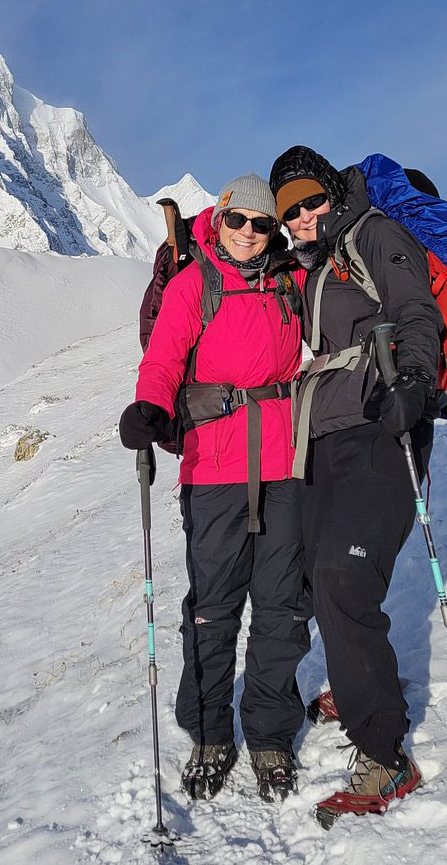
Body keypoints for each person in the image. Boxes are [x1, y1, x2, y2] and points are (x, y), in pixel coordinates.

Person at [119, 173, 309, 802]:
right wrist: (147, 407)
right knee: (212, 610)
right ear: (220, 220)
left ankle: (272, 737)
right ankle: (209, 733)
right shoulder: (192, 284)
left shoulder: (288, 282)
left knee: (282, 608)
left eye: (263, 225)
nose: (251, 234)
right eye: (240, 221)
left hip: (285, 464)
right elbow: (165, 358)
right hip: (214, 467)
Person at [269, 145, 444, 824]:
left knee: (345, 574)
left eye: (311, 201)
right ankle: (355, 676)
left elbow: (415, 309)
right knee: (316, 573)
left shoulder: (372, 232)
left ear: (333, 192)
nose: (303, 217)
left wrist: (417, 383)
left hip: (380, 421)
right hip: (322, 436)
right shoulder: (314, 261)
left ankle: (385, 754)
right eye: (292, 213)